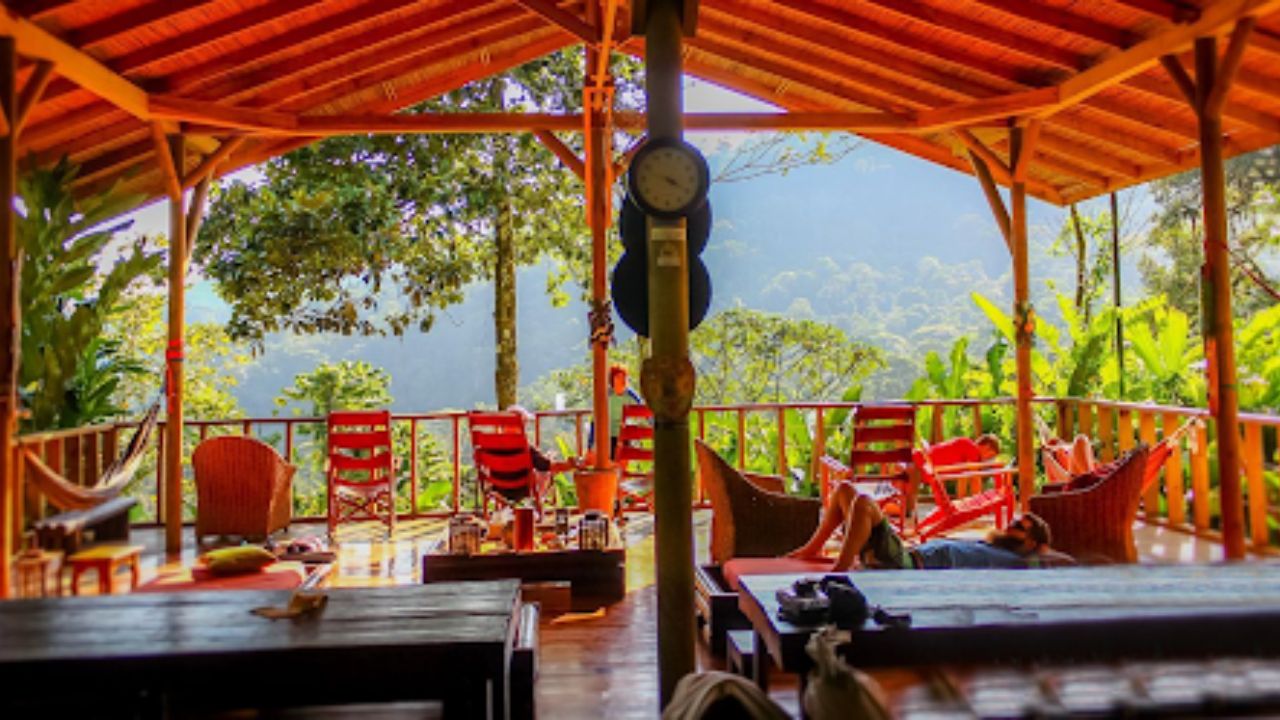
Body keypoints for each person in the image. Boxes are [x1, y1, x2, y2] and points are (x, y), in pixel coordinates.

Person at [788, 481, 1062, 571]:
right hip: (905, 553)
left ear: (1031, 543)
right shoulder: (991, 545)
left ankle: (841, 570)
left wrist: (1043, 550)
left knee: (862, 503)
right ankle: (811, 549)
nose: (1012, 524)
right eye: (1016, 520)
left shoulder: (1017, 562)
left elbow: (1057, 560)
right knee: (844, 490)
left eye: (1020, 527)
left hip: (907, 566)